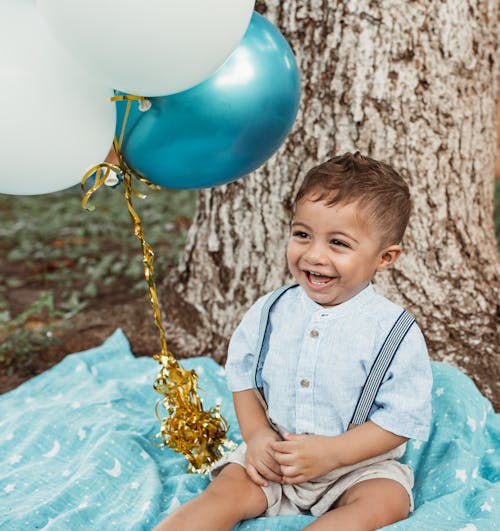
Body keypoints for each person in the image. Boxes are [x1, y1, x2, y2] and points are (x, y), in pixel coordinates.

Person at [154, 152, 433, 531]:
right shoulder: (271, 310)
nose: (314, 255)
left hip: (356, 469)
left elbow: (400, 419)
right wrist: (256, 437)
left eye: (338, 243)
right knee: (225, 492)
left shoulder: (394, 331)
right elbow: (244, 378)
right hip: (275, 461)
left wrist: (333, 454)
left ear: (384, 257)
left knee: (387, 500)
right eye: (303, 235)